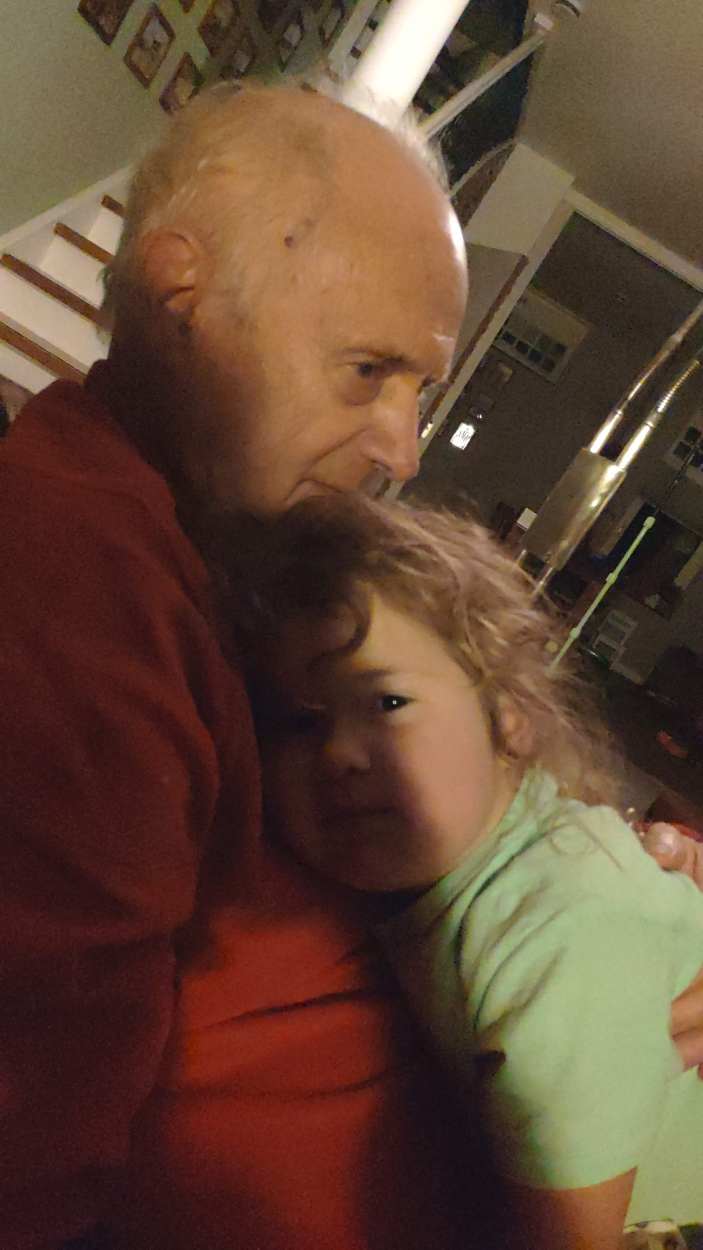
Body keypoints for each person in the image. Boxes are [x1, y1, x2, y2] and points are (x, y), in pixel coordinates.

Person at [0, 81, 701, 1250]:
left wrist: (643, 893)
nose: (403, 448)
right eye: (368, 369)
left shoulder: (214, 559)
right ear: (182, 293)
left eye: (419, 387)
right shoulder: (78, 581)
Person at [240, 493, 703, 1250]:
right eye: (299, 721)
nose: (337, 753)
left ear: (508, 715)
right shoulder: (425, 883)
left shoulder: (558, 926)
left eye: (387, 701)